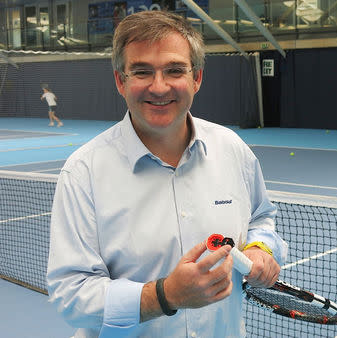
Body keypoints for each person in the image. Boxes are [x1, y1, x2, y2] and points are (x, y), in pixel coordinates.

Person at [47, 10, 287, 337]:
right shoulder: (83, 173)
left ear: (197, 78)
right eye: (142, 71)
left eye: (174, 70)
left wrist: (261, 248)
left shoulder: (232, 150)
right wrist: (164, 295)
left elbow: (261, 216)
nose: (159, 87)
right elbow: (71, 296)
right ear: (121, 81)